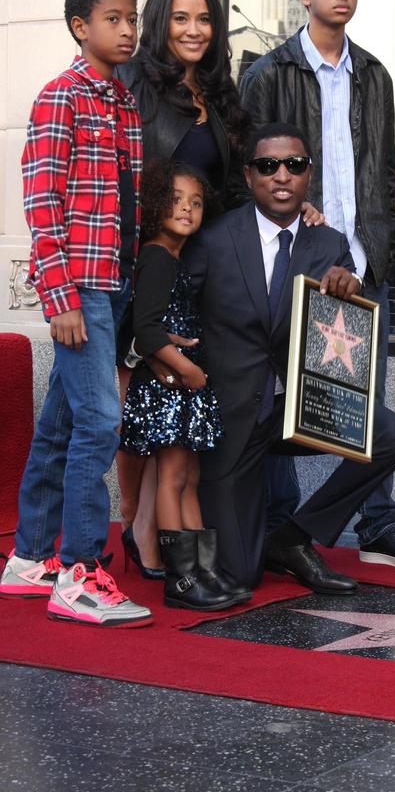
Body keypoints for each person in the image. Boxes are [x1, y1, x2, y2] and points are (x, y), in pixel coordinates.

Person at [240, 0, 395, 571]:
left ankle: (376, 527)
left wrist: (378, 249)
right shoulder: (270, 74)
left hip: (360, 266)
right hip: (296, 262)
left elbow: (380, 175)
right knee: (282, 396)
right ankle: (279, 527)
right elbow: (248, 169)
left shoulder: (374, 74)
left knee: (366, 406)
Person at [115, 0, 324, 578]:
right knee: (145, 406)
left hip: (200, 272)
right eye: (180, 18)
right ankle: (134, 520)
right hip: (146, 267)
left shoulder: (220, 95)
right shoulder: (136, 87)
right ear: (160, 22)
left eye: (204, 18)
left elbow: (238, 189)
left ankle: (149, 529)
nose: (194, 29)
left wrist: (293, 209)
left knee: (171, 409)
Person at [179, 122, 395, 591]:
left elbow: (344, 327)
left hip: (300, 410)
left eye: (295, 165)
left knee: (392, 434)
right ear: (249, 176)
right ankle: (250, 548)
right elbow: (179, 313)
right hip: (232, 417)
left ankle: (293, 538)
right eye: (268, 166)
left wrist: (348, 287)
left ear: (309, 175)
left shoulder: (328, 244)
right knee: (239, 576)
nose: (282, 175)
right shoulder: (213, 238)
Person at [0, 0, 152, 627]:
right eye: (113, 19)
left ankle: (30, 558)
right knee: (99, 422)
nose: (127, 30)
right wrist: (59, 296)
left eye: (132, 19)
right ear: (80, 27)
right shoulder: (59, 98)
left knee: (63, 424)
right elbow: (42, 204)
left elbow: (129, 208)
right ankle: (80, 571)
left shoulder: (123, 105)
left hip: (113, 284)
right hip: (80, 288)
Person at [120, 159, 247, 612]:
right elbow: (147, 329)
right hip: (169, 388)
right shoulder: (156, 257)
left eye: (196, 203)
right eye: (175, 200)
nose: (187, 210)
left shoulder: (173, 259)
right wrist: (189, 371)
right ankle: (181, 580)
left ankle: (204, 571)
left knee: (190, 477)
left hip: (184, 387)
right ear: (154, 204)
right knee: (173, 478)